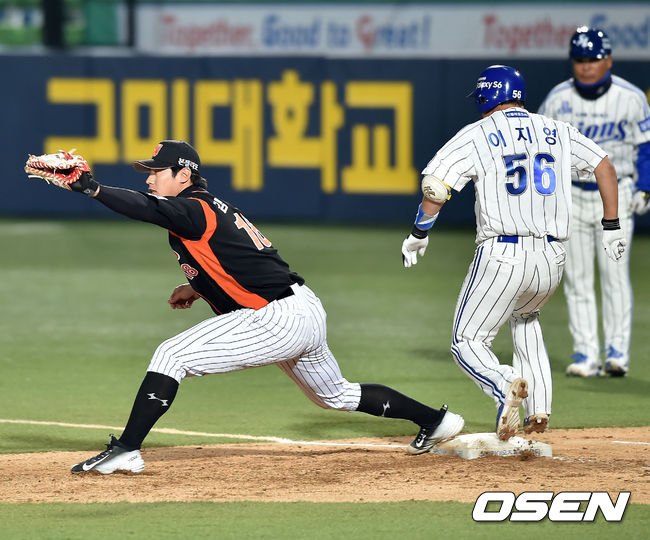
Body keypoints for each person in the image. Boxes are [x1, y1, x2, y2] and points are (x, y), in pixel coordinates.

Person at [56, 140, 463, 474]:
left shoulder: (194, 207)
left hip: (276, 317)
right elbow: (243, 261)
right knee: (335, 395)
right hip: (302, 308)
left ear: (183, 175)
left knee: (171, 355)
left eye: (156, 171)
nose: (149, 178)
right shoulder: (209, 208)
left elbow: (146, 208)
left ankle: (127, 449)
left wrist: (92, 188)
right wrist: (196, 288)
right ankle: (436, 421)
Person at [401, 65, 625, 440]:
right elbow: (604, 166)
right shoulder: (557, 130)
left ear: (487, 96)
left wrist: (419, 232)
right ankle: (539, 408)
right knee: (525, 318)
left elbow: (436, 188)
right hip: (553, 258)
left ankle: (504, 384)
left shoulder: (478, 133)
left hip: (504, 253)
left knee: (467, 341)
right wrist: (612, 224)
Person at [538, 27, 650, 377]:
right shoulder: (557, 99)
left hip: (615, 195)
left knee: (615, 275)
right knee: (577, 278)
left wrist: (646, 187)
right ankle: (586, 354)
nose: (586, 66)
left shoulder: (631, 98)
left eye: (593, 58)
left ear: (609, 60)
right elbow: (540, 151)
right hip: (570, 194)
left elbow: (646, 148)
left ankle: (617, 353)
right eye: (580, 59)